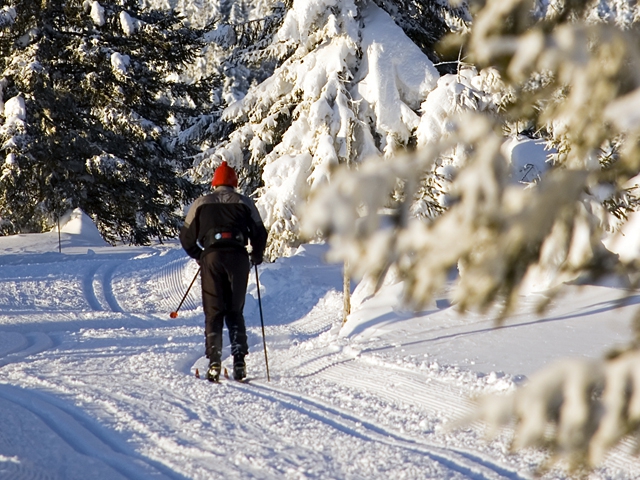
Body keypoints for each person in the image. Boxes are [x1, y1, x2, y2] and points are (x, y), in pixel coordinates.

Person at [179, 161, 268, 382]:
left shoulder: (201, 203)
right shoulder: (245, 203)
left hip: (212, 257)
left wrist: (198, 255)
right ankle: (239, 361)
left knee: (214, 311)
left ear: (214, 182)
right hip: (238, 258)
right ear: (234, 183)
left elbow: (185, 236)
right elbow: (260, 232)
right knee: (235, 311)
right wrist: (256, 255)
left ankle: (214, 361)